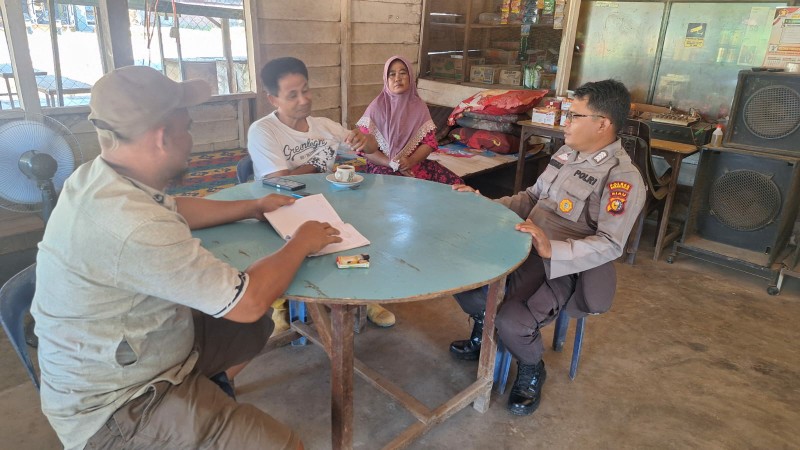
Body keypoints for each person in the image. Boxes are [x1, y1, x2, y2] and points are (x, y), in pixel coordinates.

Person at [30, 65, 343, 450]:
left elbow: (174, 208)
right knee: (285, 438)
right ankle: (191, 418)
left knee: (251, 327)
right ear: (163, 137)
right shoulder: (135, 225)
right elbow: (248, 301)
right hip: (119, 408)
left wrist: (252, 206)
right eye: (188, 127)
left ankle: (205, 400)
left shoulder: (97, 177)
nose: (191, 138)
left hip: (132, 351)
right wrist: (301, 241)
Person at [448, 79, 645, 416]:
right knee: (463, 285)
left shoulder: (621, 179)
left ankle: (531, 367)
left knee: (512, 320)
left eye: (575, 115)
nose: (565, 122)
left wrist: (553, 249)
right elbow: (532, 197)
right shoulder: (567, 152)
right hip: (523, 245)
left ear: (603, 124)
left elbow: (612, 244)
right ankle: (484, 331)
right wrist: (486, 204)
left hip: (564, 265)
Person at [248, 56, 396, 328]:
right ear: (273, 99)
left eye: (305, 90)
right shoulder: (263, 131)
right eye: (292, 95)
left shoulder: (325, 126)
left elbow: (371, 151)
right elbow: (281, 182)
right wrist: (318, 163)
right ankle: (279, 305)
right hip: (281, 208)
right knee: (299, 242)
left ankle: (361, 297)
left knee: (362, 229)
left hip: (325, 205)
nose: (303, 99)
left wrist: (366, 139)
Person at [356, 55, 463, 185]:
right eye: (392, 74)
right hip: (382, 165)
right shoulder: (376, 107)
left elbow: (429, 143)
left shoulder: (419, 107)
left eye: (403, 73)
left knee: (456, 183)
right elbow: (365, 149)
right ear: (386, 79)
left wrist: (410, 161)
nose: (397, 78)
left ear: (410, 78)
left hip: (413, 164)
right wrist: (391, 164)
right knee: (394, 188)